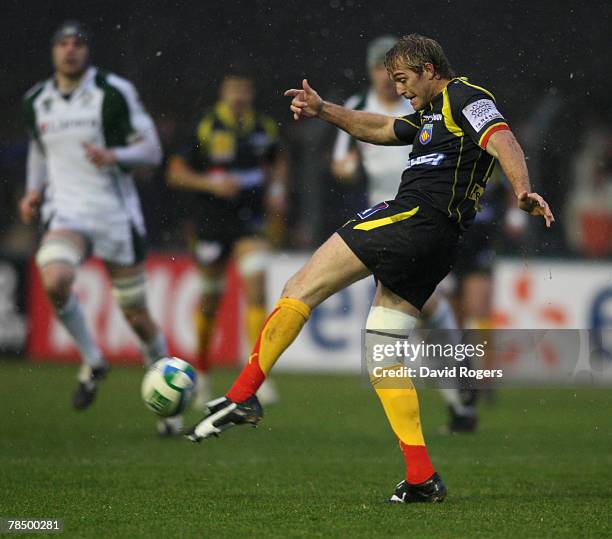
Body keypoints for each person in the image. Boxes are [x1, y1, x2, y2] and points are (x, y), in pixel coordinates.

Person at [187, 34, 554, 503]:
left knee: (302, 285)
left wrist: (522, 189)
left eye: (403, 79)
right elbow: (380, 128)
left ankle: (243, 394)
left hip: (414, 216)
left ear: (426, 68)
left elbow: (504, 139)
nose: (399, 88)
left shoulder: (465, 96)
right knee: (383, 351)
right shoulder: (429, 115)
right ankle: (422, 476)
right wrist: (325, 110)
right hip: (437, 240)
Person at [19, 21, 176, 434]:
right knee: (54, 278)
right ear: (53, 51)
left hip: (114, 214)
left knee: (138, 317)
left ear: (87, 51)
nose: (70, 50)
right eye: (63, 43)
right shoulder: (37, 100)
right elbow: (39, 151)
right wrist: (32, 192)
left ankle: (169, 409)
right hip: (66, 212)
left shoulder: (112, 92)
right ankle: (94, 360)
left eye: (78, 44)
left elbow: (152, 150)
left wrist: (115, 155)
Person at [332, 35, 477, 433]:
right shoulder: (360, 107)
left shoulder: (428, 103)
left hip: (426, 217)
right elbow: (341, 160)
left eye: (392, 71)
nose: (387, 80)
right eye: (379, 69)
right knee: (418, 308)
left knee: (423, 307)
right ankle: (457, 390)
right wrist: (345, 168)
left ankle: (456, 387)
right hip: (386, 217)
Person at [166, 69, 286, 410]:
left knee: (257, 286)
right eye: (234, 88)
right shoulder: (204, 126)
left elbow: (278, 160)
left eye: (245, 89)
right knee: (210, 301)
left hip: (249, 222)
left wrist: (277, 189)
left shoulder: (263, 127)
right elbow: (175, 173)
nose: (239, 96)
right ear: (223, 91)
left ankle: (257, 374)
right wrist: (210, 185)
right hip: (211, 223)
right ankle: (202, 371)